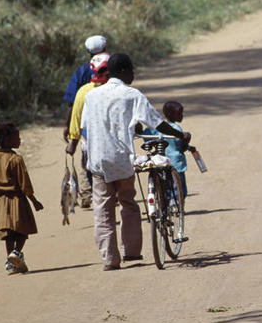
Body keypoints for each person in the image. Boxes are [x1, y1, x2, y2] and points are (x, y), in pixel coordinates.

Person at [80, 53, 191, 271]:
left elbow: (86, 124)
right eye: (132, 70)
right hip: (122, 160)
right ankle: (131, 251)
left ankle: (110, 260)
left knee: (103, 210)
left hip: (98, 159)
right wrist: (179, 135)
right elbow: (157, 124)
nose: (134, 74)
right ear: (123, 71)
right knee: (128, 203)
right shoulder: (132, 95)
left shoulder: (91, 96)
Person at [0, 122, 44, 274]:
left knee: (8, 231)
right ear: (8, 140)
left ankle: (11, 261)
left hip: (0, 200)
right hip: (17, 199)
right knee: (22, 229)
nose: (20, 140)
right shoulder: (16, 159)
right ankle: (16, 253)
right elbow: (24, 183)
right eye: (17, 137)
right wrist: (34, 201)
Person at [63, 35, 109, 203]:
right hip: (107, 126)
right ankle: (111, 192)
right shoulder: (112, 70)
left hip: (86, 128)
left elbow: (73, 104)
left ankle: (87, 194)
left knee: (85, 162)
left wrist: (68, 127)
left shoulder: (82, 72)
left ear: (88, 52)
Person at [140, 100, 190, 201]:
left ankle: (166, 208)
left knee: (165, 189)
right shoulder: (176, 128)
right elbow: (181, 147)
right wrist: (186, 140)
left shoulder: (153, 129)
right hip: (175, 164)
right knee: (180, 191)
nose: (182, 116)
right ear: (171, 114)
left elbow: (146, 137)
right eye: (179, 113)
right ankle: (175, 207)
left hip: (160, 162)